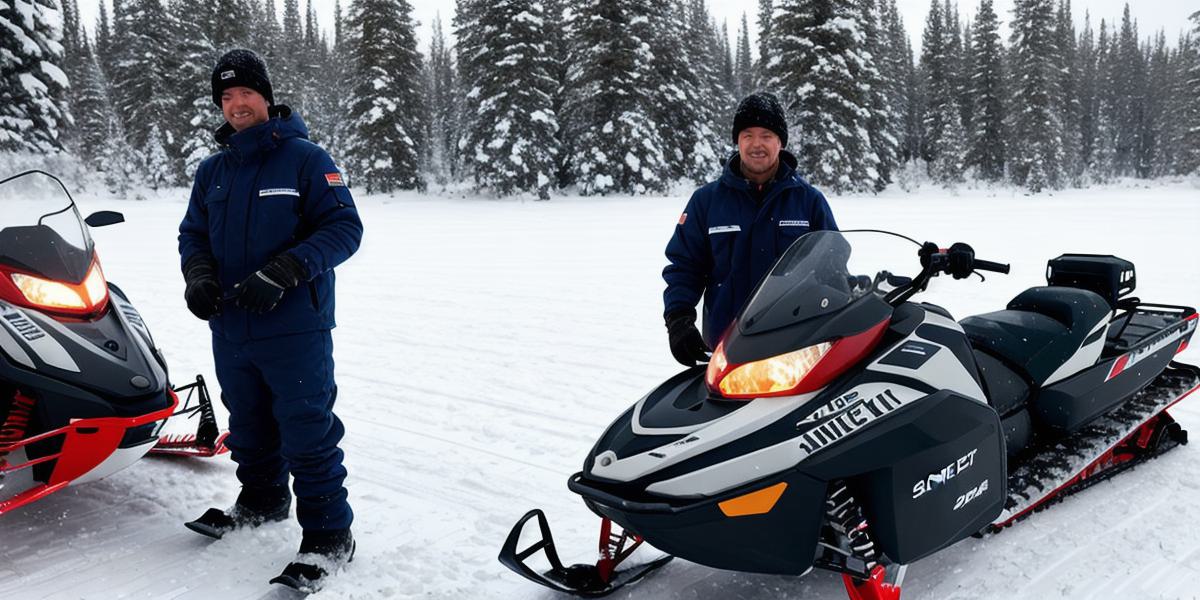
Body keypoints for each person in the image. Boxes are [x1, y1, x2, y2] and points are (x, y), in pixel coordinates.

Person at [177, 48, 363, 591]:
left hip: (295, 326)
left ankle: (330, 536)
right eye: (227, 96)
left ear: (266, 97)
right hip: (232, 326)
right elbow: (193, 234)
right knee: (250, 425)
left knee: (307, 430)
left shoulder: (305, 158)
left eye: (246, 94)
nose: (237, 104)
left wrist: (285, 269)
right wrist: (198, 276)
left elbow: (344, 229)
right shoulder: (213, 170)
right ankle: (261, 500)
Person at [662, 92, 838, 365]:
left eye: (766, 135)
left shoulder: (809, 201)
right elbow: (685, 266)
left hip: (793, 348)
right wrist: (678, 319)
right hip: (726, 347)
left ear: (780, 142)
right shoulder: (706, 201)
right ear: (737, 141)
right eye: (748, 135)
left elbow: (832, 267)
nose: (757, 144)